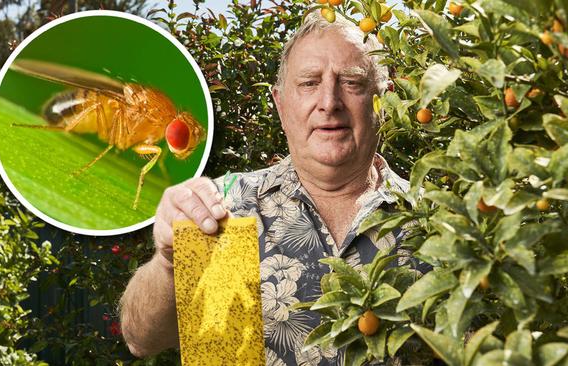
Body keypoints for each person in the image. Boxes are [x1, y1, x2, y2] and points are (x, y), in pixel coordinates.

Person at [119, 10, 430, 365]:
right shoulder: (226, 208)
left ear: (384, 101)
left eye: (352, 83)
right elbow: (141, 338)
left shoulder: (434, 220)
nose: (329, 102)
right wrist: (168, 262)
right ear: (281, 105)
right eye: (309, 83)